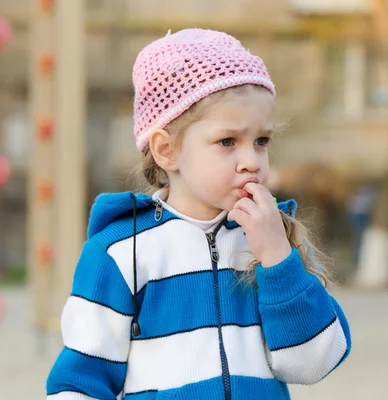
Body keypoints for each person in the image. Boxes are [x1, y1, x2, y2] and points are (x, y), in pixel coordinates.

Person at [45, 28, 351, 400]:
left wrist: (277, 261)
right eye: (227, 142)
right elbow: (80, 383)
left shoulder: (273, 239)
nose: (251, 162)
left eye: (262, 141)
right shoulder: (119, 253)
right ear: (166, 151)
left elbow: (311, 363)